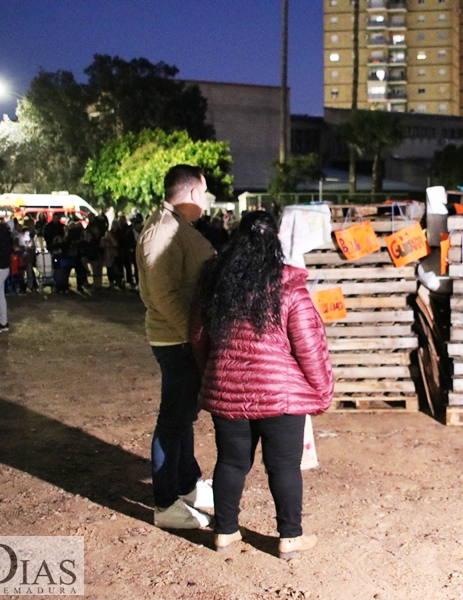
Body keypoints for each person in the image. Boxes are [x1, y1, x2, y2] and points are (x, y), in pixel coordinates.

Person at [190, 210, 333, 557]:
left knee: (231, 462)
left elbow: (197, 336)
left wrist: (211, 373)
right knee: (283, 466)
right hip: (280, 395)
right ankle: (289, 537)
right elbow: (309, 344)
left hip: (228, 391)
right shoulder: (289, 286)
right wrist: (322, 391)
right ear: (275, 242)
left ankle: (224, 531)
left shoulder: (215, 281)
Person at [137, 164, 217, 529]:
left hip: (182, 337)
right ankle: (165, 502)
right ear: (192, 194)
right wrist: (192, 333)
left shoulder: (175, 227)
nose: (206, 201)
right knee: (173, 420)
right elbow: (160, 291)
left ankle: (186, 485)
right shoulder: (163, 231)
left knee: (184, 416)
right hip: (176, 339)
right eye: (204, 193)